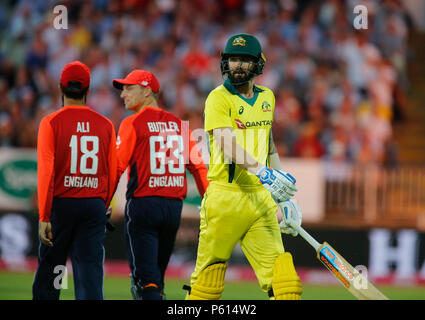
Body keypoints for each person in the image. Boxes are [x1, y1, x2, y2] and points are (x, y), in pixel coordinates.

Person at [184, 34, 303, 300]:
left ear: (258, 65)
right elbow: (227, 143)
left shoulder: (267, 97)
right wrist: (262, 171)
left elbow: (269, 145)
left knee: (285, 285)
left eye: (244, 60)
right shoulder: (218, 98)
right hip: (225, 198)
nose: (237, 65)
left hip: (260, 199)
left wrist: (285, 196)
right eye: (233, 59)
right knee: (206, 286)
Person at [112, 70, 209, 300]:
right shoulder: (178, 124)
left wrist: (102, 204)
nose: (123, 94)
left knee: (146, 285)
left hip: (143, 205)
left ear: (147, 91)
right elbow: (198, 167)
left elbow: (116, 167)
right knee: (157, 281)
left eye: (128, 88)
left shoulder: (132, 123)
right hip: (173, 210)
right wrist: (210, 201)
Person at [33, 61, 118, 300]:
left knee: (51, 274)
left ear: (60, 88)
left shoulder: (50, 122)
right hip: (93, 206)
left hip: (61, 205)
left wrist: (43, 215)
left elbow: (46, 172)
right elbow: (112, 172)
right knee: (89, 275)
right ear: (88, 91)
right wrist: (103, 203)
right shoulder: (106, 125)